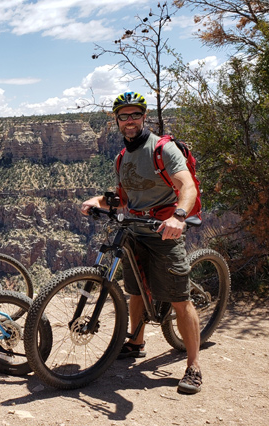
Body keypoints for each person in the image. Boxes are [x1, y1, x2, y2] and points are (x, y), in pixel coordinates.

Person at [80, 91, 203, 394]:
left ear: (143, 117)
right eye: (124, 116)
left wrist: (179, 216)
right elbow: (123, 197)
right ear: (117, 121)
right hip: (135, 229)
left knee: (179, 298)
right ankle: (136, 342)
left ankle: (193, 366)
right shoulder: (123, 157)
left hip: (164, 231)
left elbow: (187, 186)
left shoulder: (164, 149)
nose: (130, 121)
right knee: (134, 290)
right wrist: (96, 201)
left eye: (135, 115)